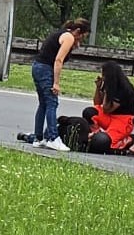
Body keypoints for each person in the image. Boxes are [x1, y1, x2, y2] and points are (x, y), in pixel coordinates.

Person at [18, 18, 91, 151]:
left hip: (37, 67)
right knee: (52, 102)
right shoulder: (68, 37)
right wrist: (56, 83)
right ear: (78, 31)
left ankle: (38, 138)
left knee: (43, 103)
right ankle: (53, 138)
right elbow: (58, 60)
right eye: (83, 37)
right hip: (46, 69)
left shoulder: (62, 34)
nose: (82, 40)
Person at [56, 61, 134, 154]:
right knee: (90, 112)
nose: (102, 77)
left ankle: (128, 140)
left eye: (104, 74)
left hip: (123, 120)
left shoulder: (123, 89)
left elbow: (107, 109)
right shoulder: (108, 85)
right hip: (110, 116)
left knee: (106, 143)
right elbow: (97, 104)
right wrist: (98, 88)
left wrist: (107, 92)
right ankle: (95, 134)